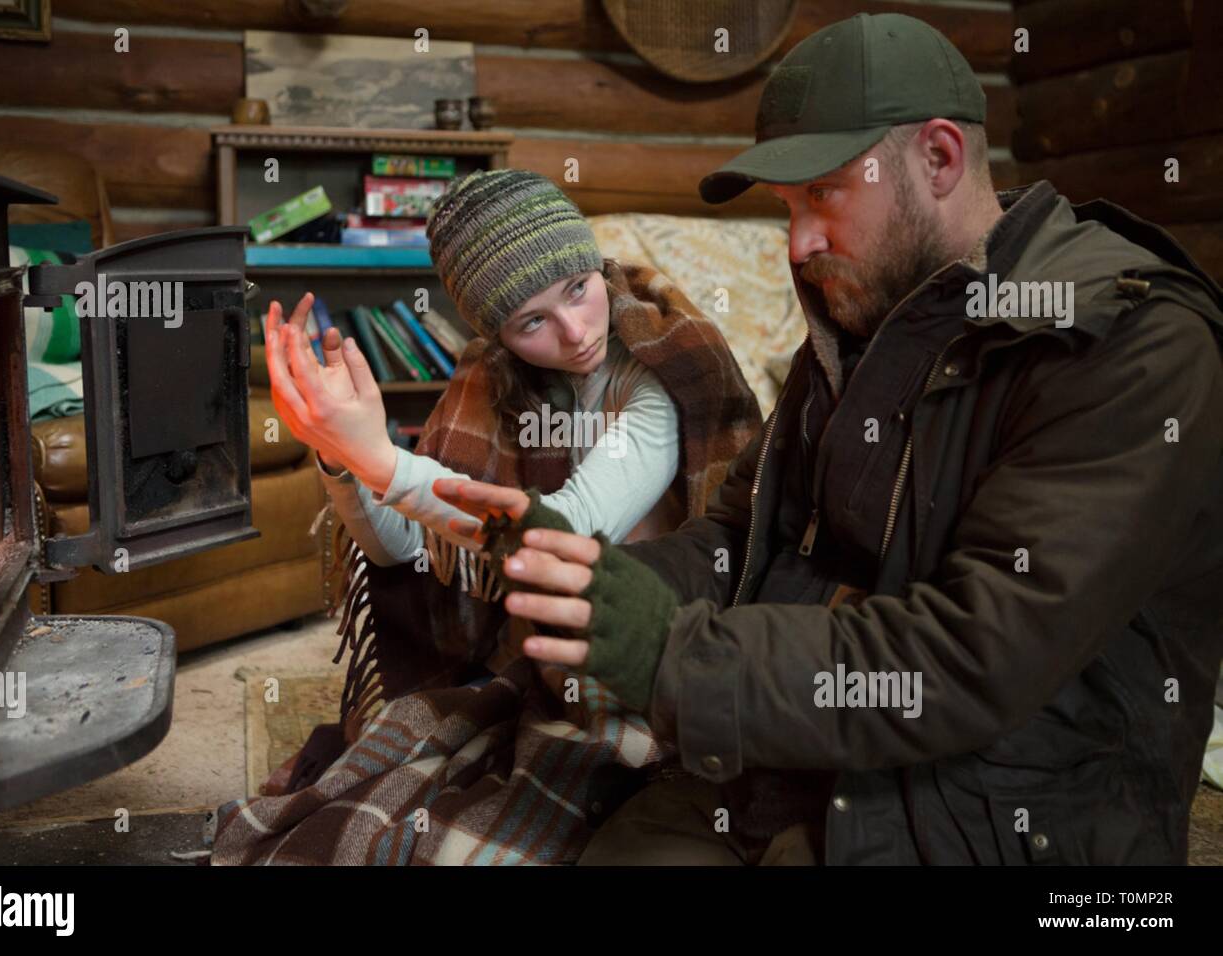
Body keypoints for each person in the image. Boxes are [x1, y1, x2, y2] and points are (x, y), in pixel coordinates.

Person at [437, 12, 1223, 865]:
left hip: (1007, 808)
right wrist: (588, 575)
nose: (797, 243)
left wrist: (675, 655)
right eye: (786, 206)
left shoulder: (1130, 342)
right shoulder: (863, 312)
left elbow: (975, 653)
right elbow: (744, 538)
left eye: (824, 194)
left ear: (939, 158)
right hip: (800, 752)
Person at [209, 170, 762, 865]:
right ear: (497, 333)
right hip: (535, 642)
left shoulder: (660, 373)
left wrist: (383, 458)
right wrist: (342, 459)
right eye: (532, 321)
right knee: (361, 810)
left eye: (578, 290)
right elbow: (401, 551)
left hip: (655, 643)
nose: (575, 331)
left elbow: (567, 528)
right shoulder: (490, 380)